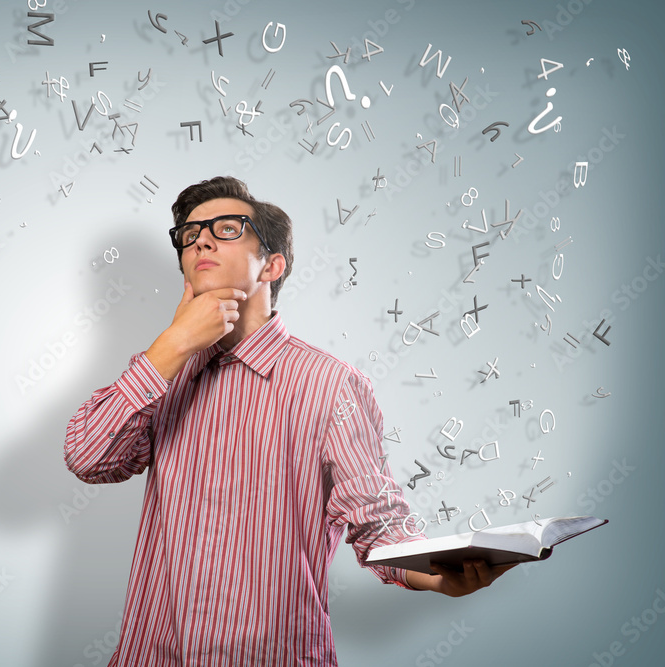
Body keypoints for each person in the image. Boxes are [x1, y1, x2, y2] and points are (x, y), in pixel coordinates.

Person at [64, 177, 512, 666]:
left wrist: (435, 574)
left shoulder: (331, 384)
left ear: (272, 265)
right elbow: (88, 458)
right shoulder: (160, 370)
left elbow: (377, 519)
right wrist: (171, 345)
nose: (202, 240)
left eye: (227, 228)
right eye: (189, 234)